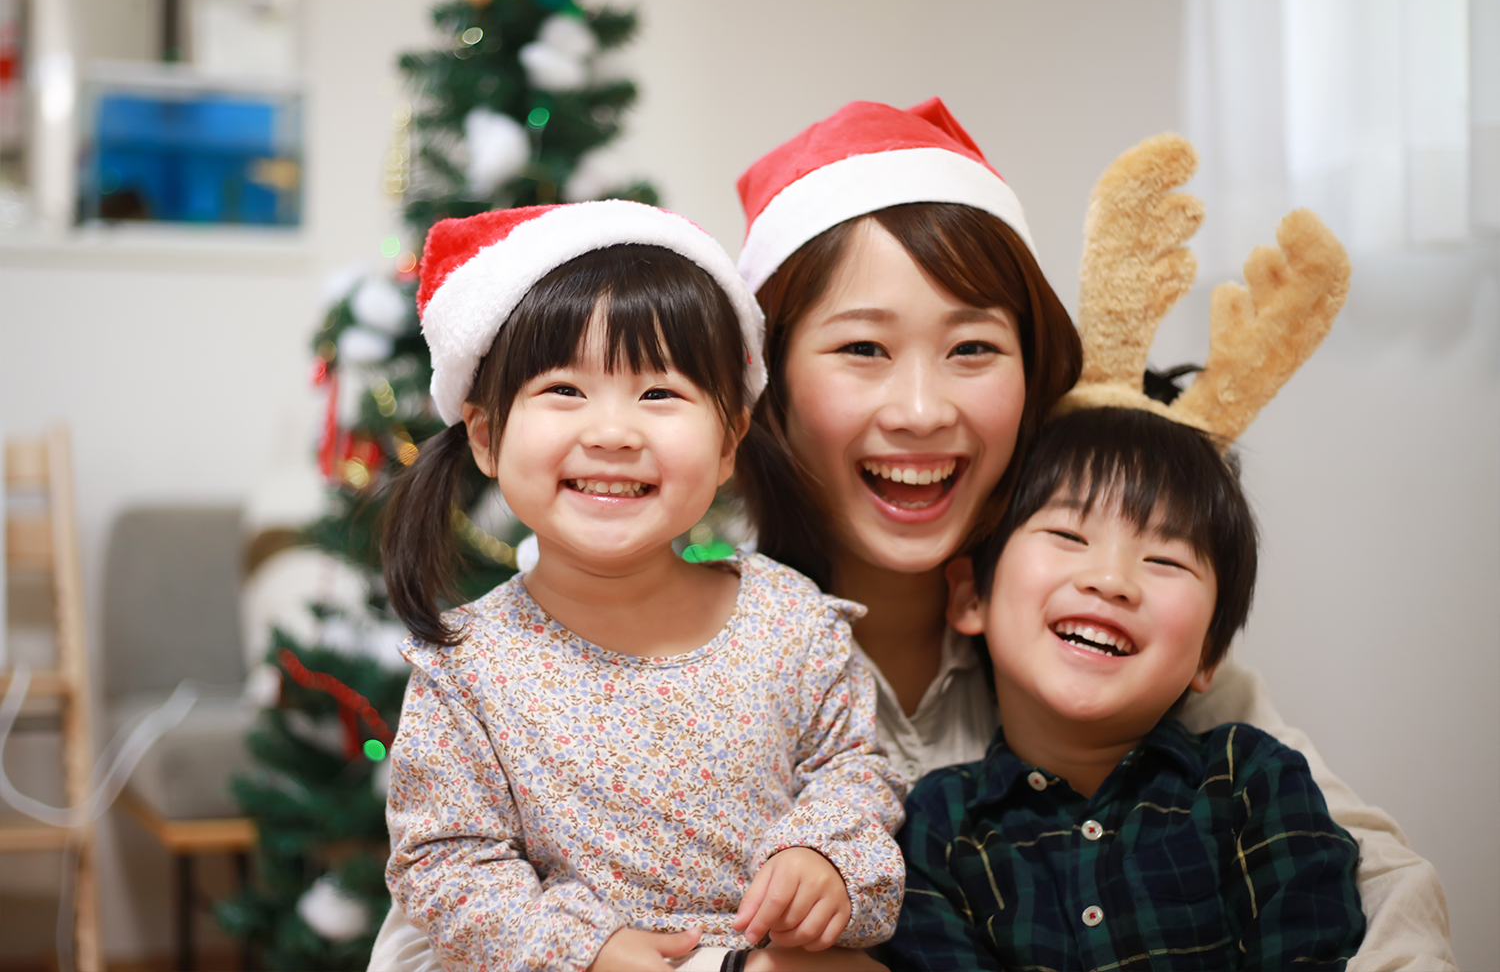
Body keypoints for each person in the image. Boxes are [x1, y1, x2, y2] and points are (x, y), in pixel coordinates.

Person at [368, 99, 1456, 971]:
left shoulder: (1092, 618)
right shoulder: (653, 621)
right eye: (863, 351)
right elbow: (435, 924)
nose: (923, 411)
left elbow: (1382, 886)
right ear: (763, 400)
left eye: (974, 349)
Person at [379, 201, 905, 972]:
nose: (614, 432)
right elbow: (446, 866)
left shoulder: (789, 618)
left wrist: (825, 855)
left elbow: (856, 770)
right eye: (564, 389)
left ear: (729, 438)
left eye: (660, 394)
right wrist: (582, 949)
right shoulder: (468, 667)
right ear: (487, 435)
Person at [885, 404, 1365, 970]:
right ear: (971, 597)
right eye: (1068, 533)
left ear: (1209, 653)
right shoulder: (932, 829)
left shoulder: (1252, 780)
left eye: (1164, 559)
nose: (1111, 581)